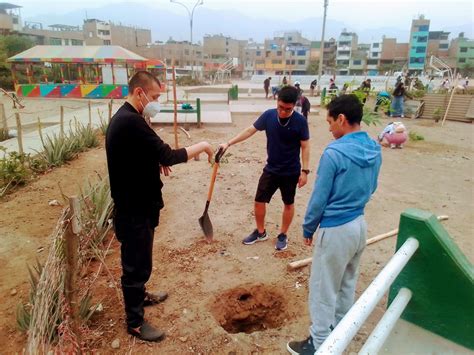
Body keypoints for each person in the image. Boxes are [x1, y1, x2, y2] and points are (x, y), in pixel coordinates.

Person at [106, 71, 213, 342]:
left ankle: (140, 295)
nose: (157, 102)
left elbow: (138, 155)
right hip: (133, 209)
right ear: (139, 93)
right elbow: (168, 154)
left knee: (142, 260)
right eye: (154, 97)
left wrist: (153, 162)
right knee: (135, 266)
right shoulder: (130, 122)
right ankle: (135, 322)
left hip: (141, 204)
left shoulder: (131, 118)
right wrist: (202, 145)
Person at [287, 94, 381, 354]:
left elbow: (319, 198)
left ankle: (318, 344)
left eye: (330, 122)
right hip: (359, 225)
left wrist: (308, 228)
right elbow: (372, 187)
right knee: (347, 283)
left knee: (322, 289)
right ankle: (341, 333)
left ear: (341, 119)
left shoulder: (334, 152)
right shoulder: (374, 148)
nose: (328, 128)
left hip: (336, 230)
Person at [219, 86, 310, 251]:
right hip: (272, 169)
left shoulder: (300, 121)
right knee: (259, 201)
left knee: (288, 203)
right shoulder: (268, 115)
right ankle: (261, 232)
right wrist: (229, 143)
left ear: (294, 105)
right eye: (280, 107)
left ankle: (283, 234)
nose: (282, 112)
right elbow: (249, 131)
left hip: (290, 171)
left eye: (287, 109)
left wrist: (305, 171)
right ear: (277, 101)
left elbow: (305, 146)